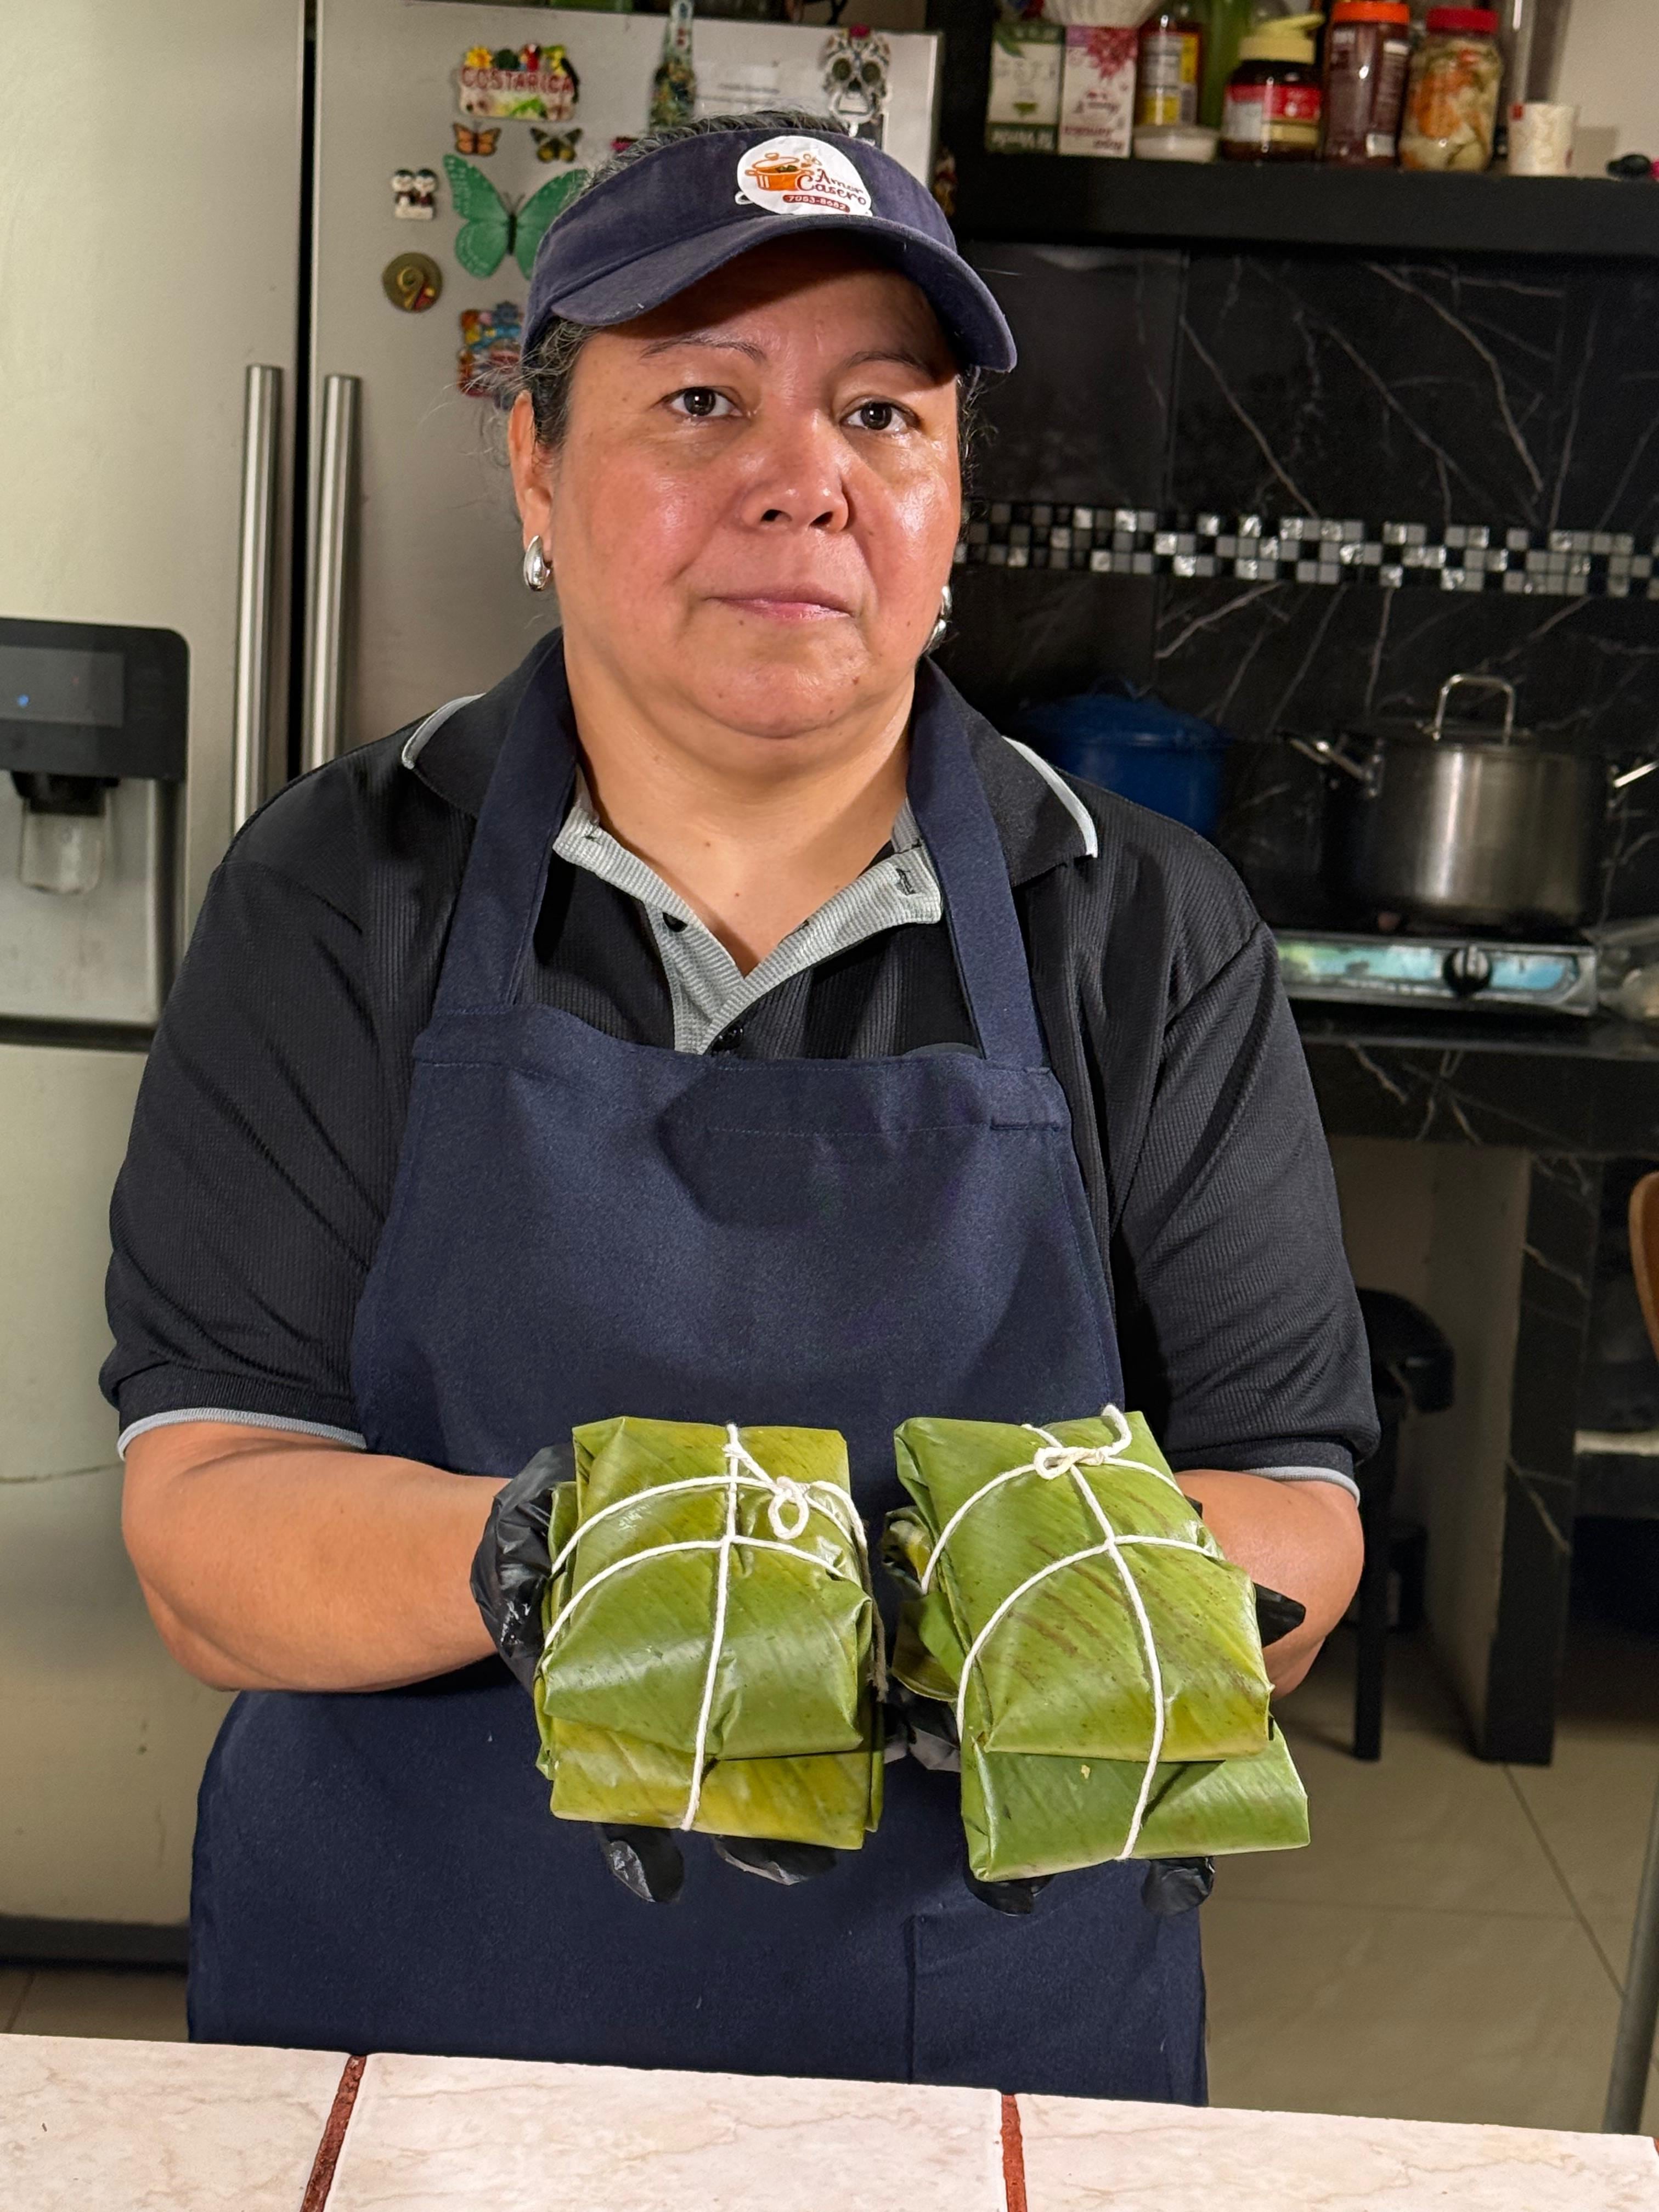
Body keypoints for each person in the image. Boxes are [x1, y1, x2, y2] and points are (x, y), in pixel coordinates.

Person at [108, 111, 1373, 2097]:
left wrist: (1019, 1600)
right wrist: (558, 1560)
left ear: (952, 497)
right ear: (536, 464)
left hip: (986, 2020)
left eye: (884, 416)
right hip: (424, 2004)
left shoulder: (1138, 924)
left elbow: (1296, 1504)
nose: (806, 485)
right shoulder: (335, 893)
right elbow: (203, 1531)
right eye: (703, 399)